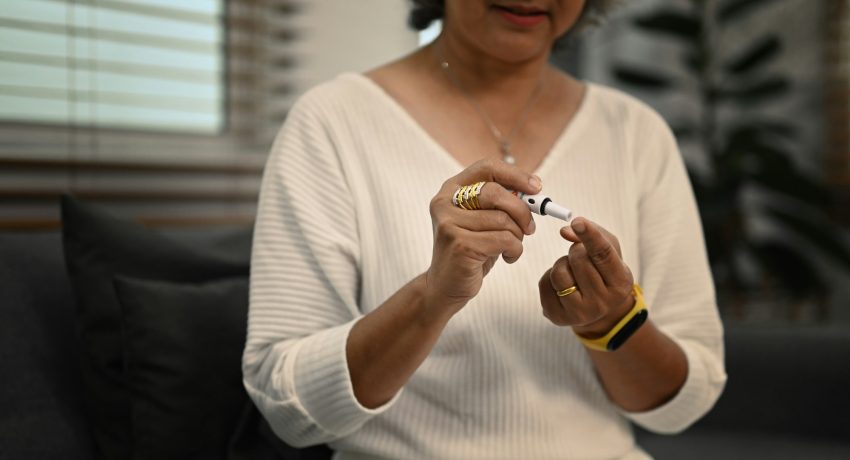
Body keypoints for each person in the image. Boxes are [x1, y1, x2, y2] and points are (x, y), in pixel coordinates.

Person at [242, 1, 727, 458]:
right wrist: (434, 296)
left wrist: (612, 322)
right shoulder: (332, 122)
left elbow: (683, 403)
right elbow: (289, 408)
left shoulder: (637, 134)